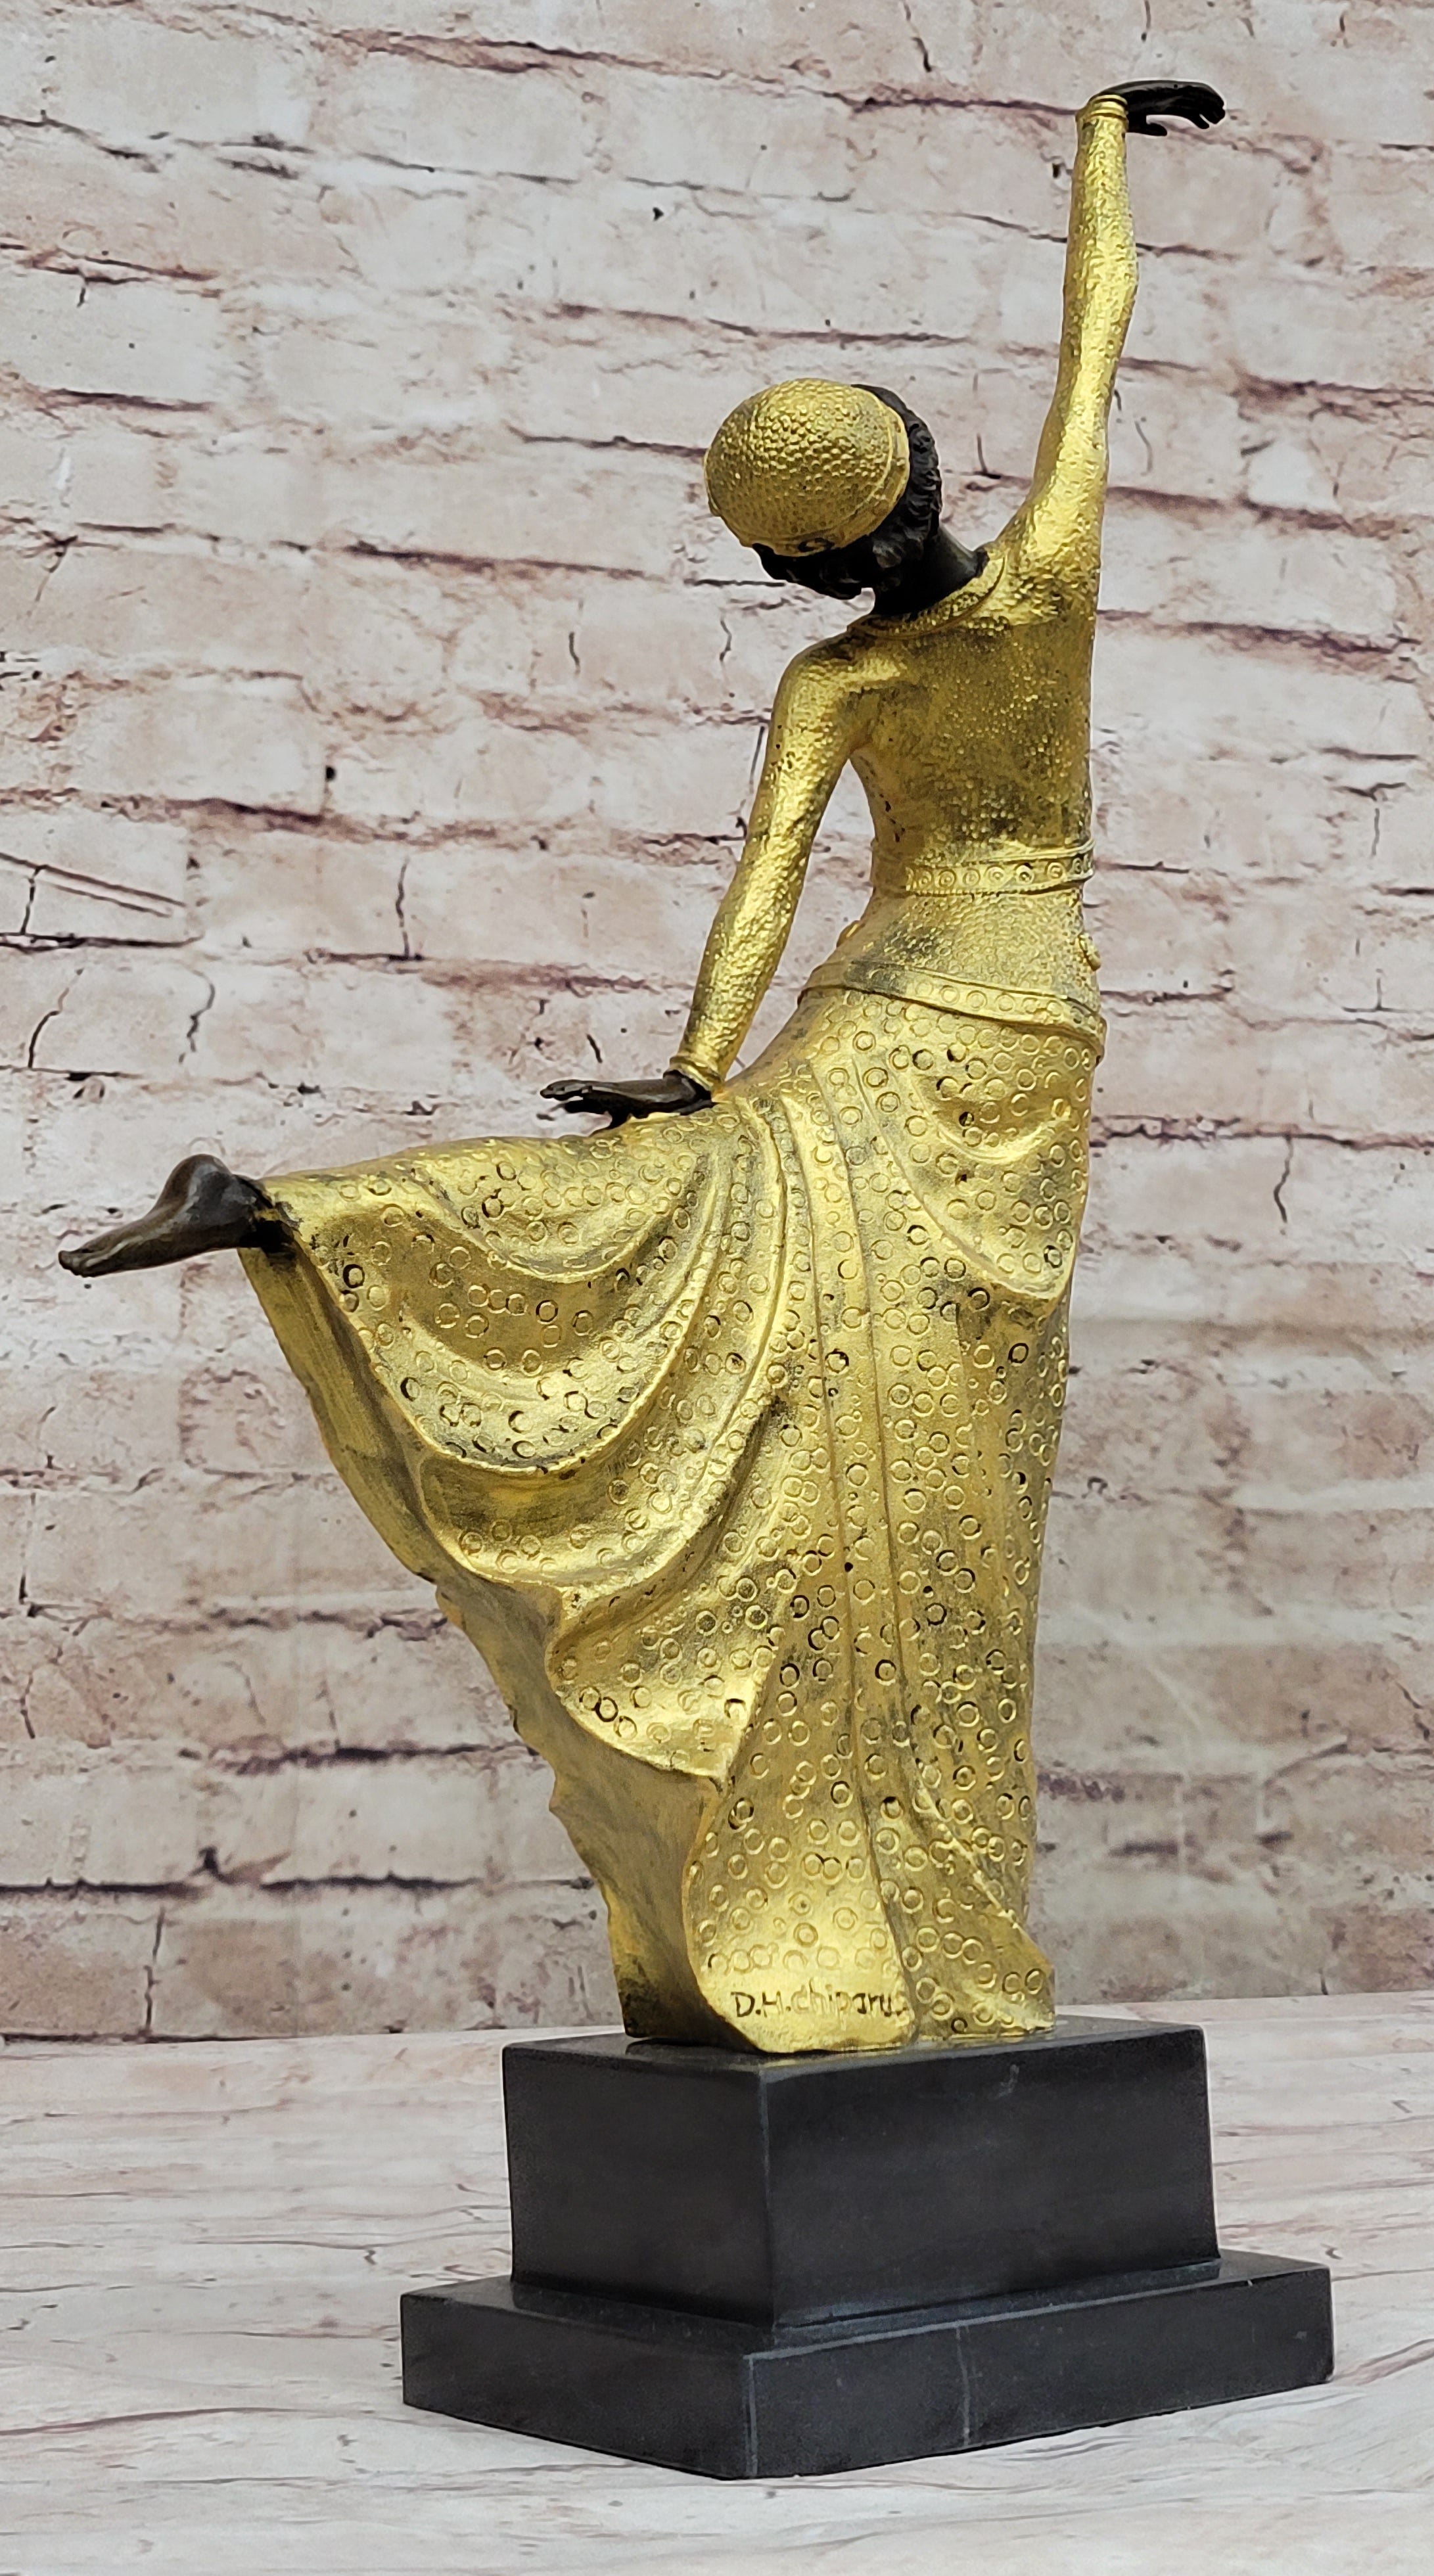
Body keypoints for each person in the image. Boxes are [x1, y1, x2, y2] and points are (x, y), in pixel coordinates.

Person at [60, 81, 1224, 2052]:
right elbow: (1093, 344)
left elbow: (768, 882)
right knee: (937, 1472)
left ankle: (311, 1213)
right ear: (927, 471)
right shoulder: (1049, 582)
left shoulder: (837, 677)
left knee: (708, 1232)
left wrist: (699, 1068)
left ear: (799, 568)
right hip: (1016, 1039)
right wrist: (1101, 144)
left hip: (871, 1022)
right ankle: (903, 1921)